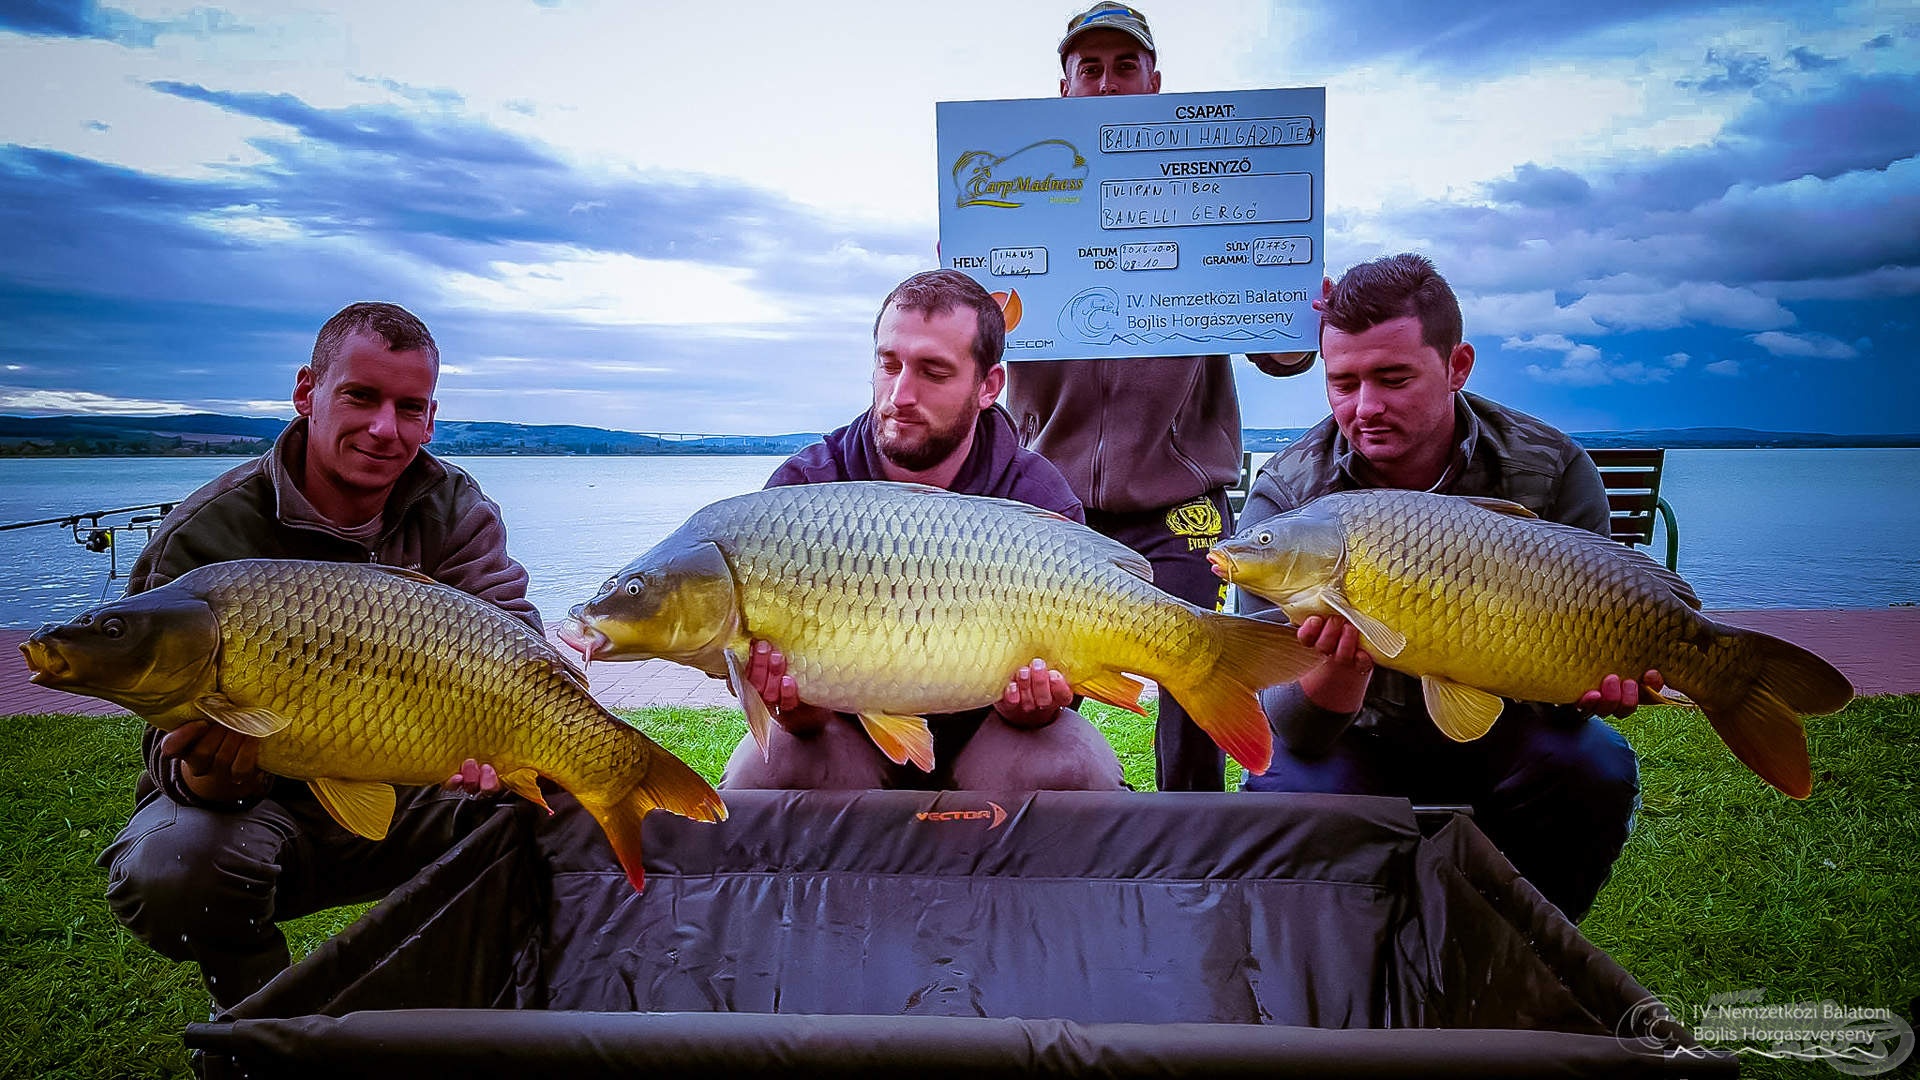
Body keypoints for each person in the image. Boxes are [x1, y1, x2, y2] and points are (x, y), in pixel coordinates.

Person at [98, 302, 540, 1011]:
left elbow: (514, 640)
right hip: (258, 808)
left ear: (431, 418)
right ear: (308, 392)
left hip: (421, 789)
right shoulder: (207, 532)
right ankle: (258, 1031)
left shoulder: (452, 505)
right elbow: (164, 740)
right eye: (361, 396)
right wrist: (216, 781)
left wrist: (505, 751)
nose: (384, 429)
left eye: (410, 407)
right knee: (175, 867)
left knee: (557, 806)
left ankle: (467, 1016)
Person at [1235, 253, 1657, 921]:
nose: (1365, 407)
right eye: (1342, 383)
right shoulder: (1289, 500)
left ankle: (1524, 953)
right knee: (1288, 790)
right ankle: (1344, 976)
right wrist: (1339, 674)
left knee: (1592, 765)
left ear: (1457, 366)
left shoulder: (1548, 470)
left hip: (1506, 727)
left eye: (1393, 378)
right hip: (1353, 742)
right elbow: (1290, 731)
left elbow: (1572, 698)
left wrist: (1593, 686)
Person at [1002, 3, 1317, 792]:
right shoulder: (1015, 186)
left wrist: (1296, 294)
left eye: (1125, 66)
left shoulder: (1209, 187)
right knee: (1027, 689)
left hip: (1181, 506)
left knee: (1198, 679)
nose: (1108, 83)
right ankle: (1053, 821)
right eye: (1091, 68)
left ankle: (1193, 837)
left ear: (1157, 83)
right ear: (1065, 89)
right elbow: (974, 344)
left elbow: (1286, 352)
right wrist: (970, 277)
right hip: (1048, 500)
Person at [719, 269, 1127, 792]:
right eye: (889, 365)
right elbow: (794, 717)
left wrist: (1035, 708)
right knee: (764, 772)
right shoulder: (804, 490)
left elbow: (1059, 694)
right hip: (842, 733)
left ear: (988, 386)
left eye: (933, 372)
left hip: (994, 731)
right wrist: (795, 709)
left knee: (1074, 766)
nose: (900, 394)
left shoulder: (1035, 494)